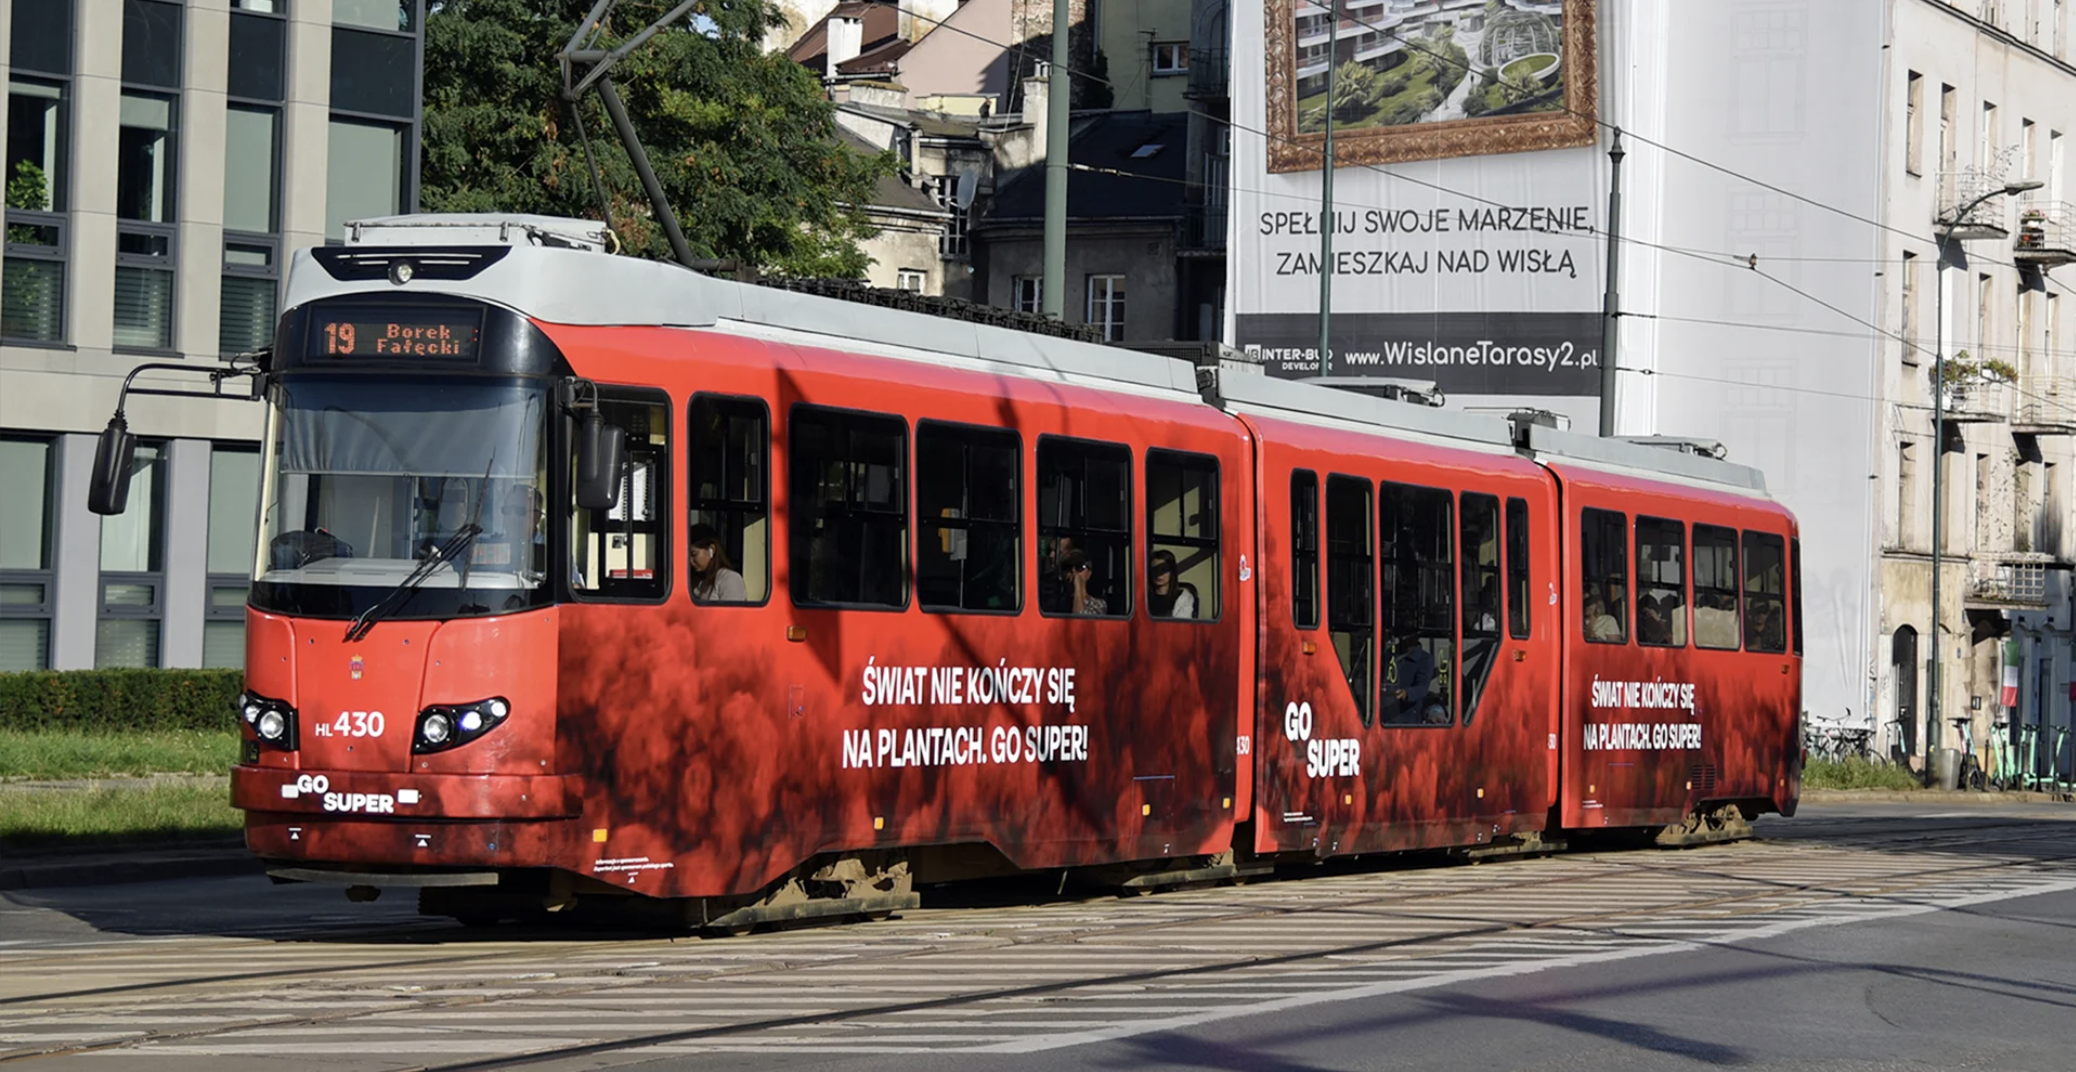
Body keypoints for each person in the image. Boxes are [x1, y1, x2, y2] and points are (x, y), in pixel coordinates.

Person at [688, 522, 748, 602]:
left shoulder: (729, 579)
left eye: (694, 554)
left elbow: (731, 613)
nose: (691, 561)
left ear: (711, 550)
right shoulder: (697, 581)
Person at [1389, 632, 1438, 724]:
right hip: (1383, 713)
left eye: (1407, 633)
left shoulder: (1424, 659)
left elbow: (1422, 688)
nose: (1403, 637)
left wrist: (1407, 693)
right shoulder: (1389, 653)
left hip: (1406, 719)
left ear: (1416, 636)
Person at [1148, 549, 1197, 618]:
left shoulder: (1183, 598)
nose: (1159, 574)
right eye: (1155, 570)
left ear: (1171, 571)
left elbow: (1181, 625)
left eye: (1163, 569)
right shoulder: (1144, 598)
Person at [1058, 549, 1107, 615]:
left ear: (1089, 573)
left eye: (1080, 567)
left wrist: (1078, 587)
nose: (1073, 571)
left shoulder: (1098, 605)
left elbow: (1078, 622)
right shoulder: (1058, 603)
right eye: (1067, 567)